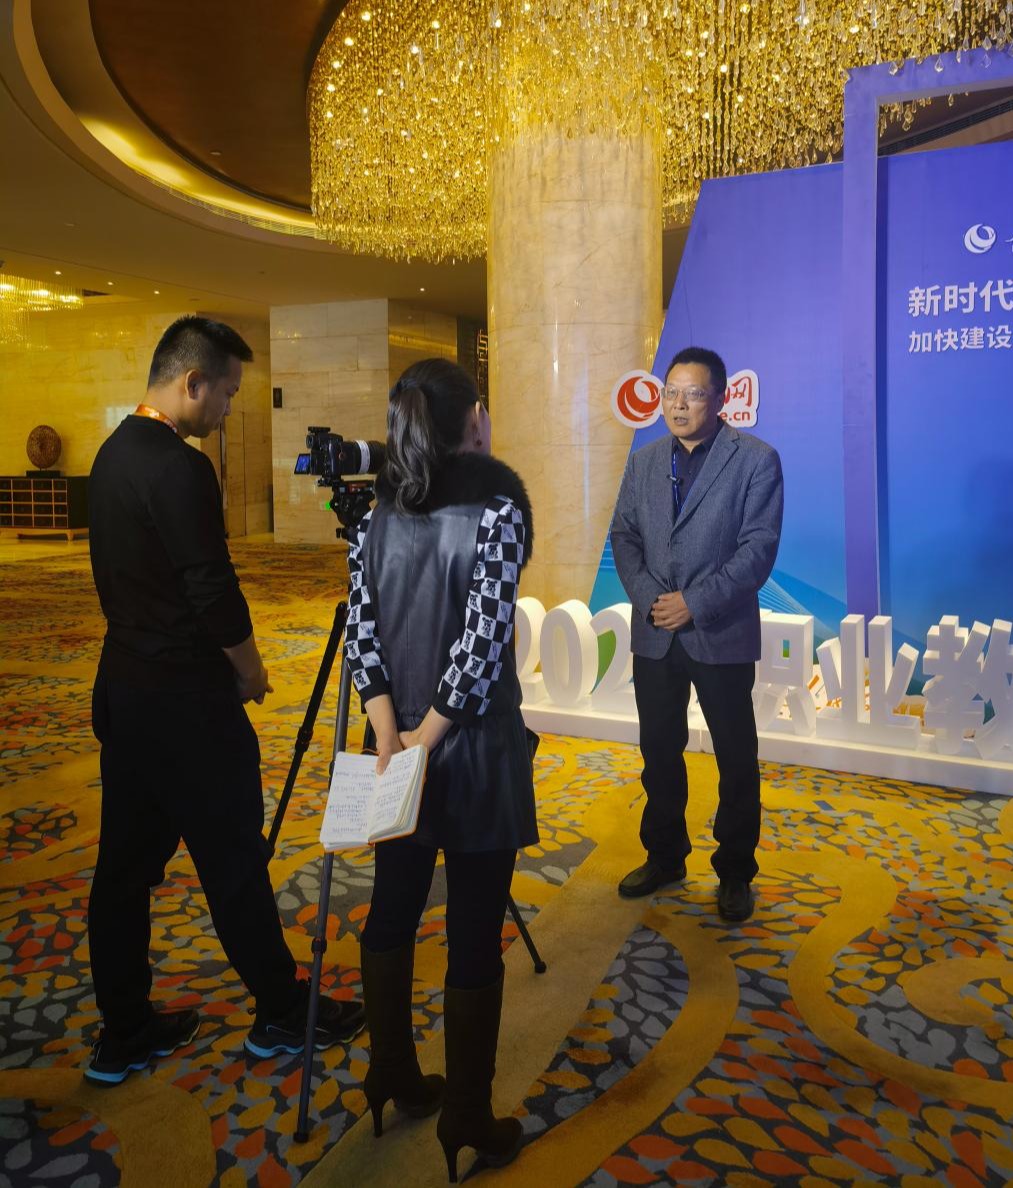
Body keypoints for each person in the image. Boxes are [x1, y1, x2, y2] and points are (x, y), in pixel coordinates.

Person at [85, 316, 364, 1086]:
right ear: (192, 381)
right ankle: (281, 1010)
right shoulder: (180, 467)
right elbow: (210, 586)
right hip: (189, 704)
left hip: (126, 691)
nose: (230, 409)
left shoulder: (111, 456)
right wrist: (249, 669)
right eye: (229, 393)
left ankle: (125, 1028)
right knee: (234, 860)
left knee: (123, 870)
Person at [343, 358, 536, 1181]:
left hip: (398, 746)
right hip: (475, 751)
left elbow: (361, 633)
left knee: (392, 906)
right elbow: (483, 641)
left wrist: (390, 735)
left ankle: (389, 1071)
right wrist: (428, 738)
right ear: (475, 418)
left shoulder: (372, 515)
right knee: (472, 930)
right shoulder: (499, 509)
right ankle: (465, 1113)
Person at [610, 346, 783, 923]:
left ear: (721, 398)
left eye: (693, 394)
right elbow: (624, 536)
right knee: (658, 751)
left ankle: (734, 871)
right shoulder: (644, 461)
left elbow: (757, 550)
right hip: (655, 631)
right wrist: (651, 600)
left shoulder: (755, 460)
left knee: (735, 757)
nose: (679, 405)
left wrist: (695, 603)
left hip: (719, 631)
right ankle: (664, 856)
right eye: (671, 393)